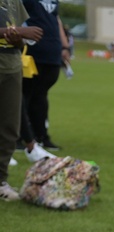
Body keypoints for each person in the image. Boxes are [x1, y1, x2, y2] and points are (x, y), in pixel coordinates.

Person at [1, 0, 43, 201]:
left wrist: (18, 37)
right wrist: (14, 31)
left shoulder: (14, 1)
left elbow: (19, 40)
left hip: (11, 66)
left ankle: (1, 181)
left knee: (9, 128)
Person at [21, 0, 71, 151]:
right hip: (31, 52)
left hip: (51, 51)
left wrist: (64, 46)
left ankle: (41, 136)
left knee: (41, 96)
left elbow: (56, 19)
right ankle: (20, 137)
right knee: (24, 96)